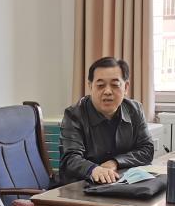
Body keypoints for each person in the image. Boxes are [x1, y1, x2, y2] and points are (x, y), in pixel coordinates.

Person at [59, 57, 155, 185]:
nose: (108, 91)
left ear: (126, 87)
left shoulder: (135, 110)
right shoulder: (74, 115)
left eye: (115, 85)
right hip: (81, 186)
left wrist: (115, 162)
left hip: (121, 184)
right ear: (90, 86)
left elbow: (147, 150)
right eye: (100, 85)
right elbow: (70, 158)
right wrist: (94, 169)